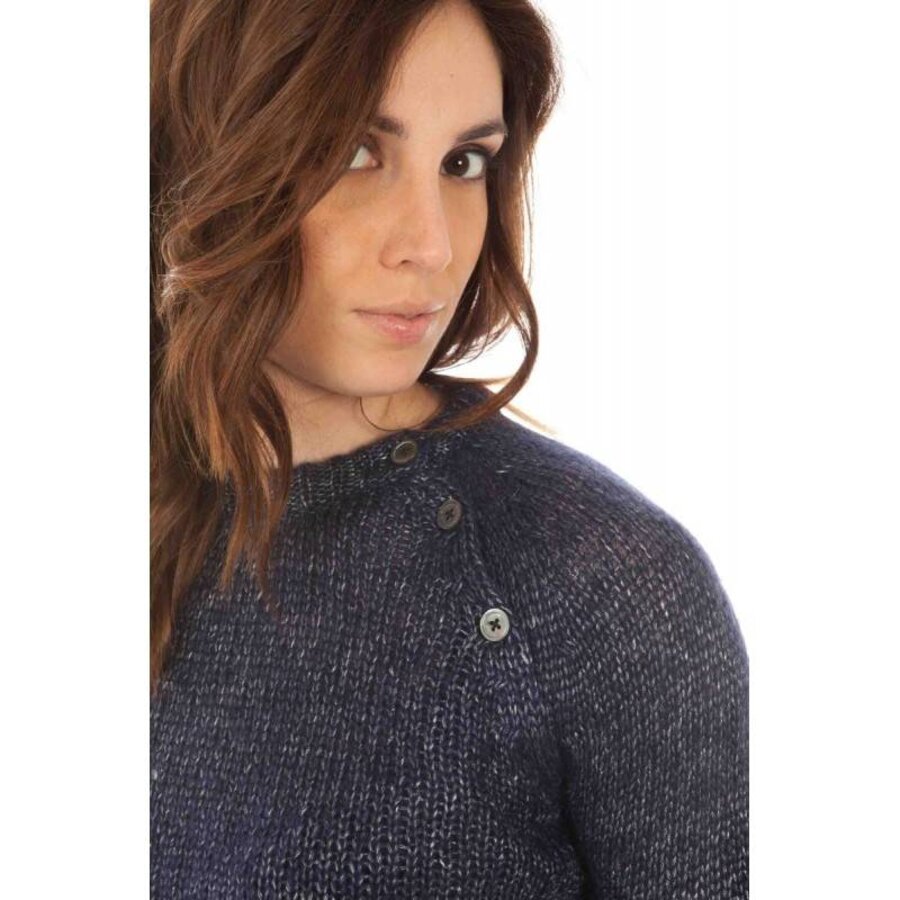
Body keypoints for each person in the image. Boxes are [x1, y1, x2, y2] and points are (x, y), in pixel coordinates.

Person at [150, 0, 749, 897]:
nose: (431, 245)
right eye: (355, 152)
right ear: (201, 153)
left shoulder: (603, 585)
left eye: (464, 162)